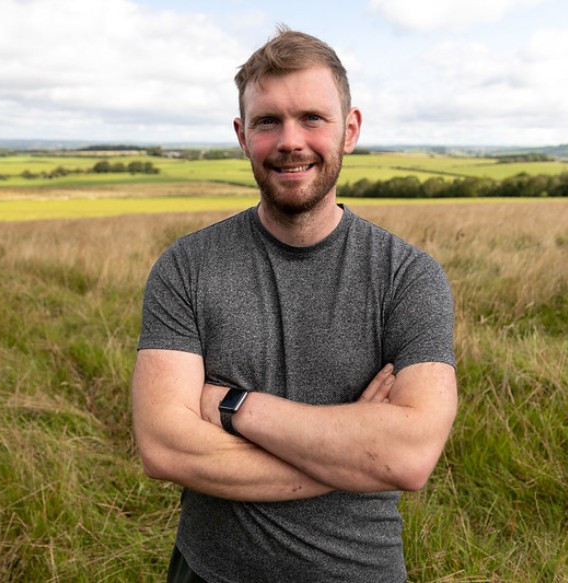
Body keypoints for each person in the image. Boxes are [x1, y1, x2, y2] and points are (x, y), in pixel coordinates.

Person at [131, 26, 457, 583]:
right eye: (267, 121)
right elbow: (164, 448)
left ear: (349, 130)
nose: (290, 140)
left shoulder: (408, 276)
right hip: (209, 572)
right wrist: (352, 454)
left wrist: (233, 407)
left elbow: (407, 458)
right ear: (241, 135)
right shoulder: (186, 267)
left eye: (312, 117)